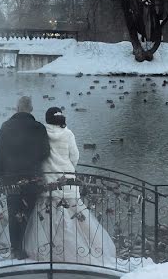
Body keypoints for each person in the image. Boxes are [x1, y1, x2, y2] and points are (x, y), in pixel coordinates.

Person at [22, 107, 117, 266]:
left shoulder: (41, 133)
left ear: (47, 119)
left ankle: (47, 252)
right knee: (72, 220)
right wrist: (68, 169)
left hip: (48, 183)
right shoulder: (68, 134)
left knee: (48, 219)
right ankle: (75, 251)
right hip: (67, 184)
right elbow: (75, 156)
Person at [0, 96, 50, 259]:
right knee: (27, 213)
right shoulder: (39, 128)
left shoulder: (5, 127)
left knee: (13, 213)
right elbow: (46, 152)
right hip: (32, 178)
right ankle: (25, 248)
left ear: (16, 108)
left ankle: (15, 249)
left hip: (10, 179)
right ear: (31, 109)